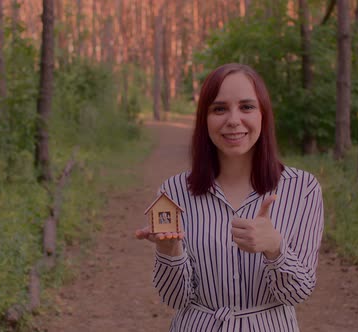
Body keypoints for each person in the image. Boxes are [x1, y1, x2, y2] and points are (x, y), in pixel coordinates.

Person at [135, 63, 324, 331]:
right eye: (219, 109)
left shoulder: (302, 189)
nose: (233, 120)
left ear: (263, 115)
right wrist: (169, 250)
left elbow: (297, 294)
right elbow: (174, 298)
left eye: (246, 107)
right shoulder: (174, 192)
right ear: (205, 120)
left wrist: (275, 249)